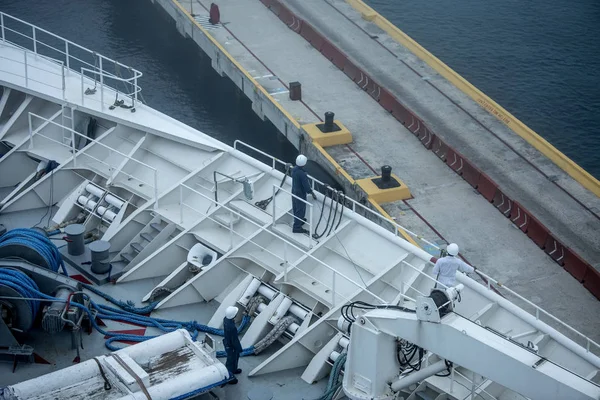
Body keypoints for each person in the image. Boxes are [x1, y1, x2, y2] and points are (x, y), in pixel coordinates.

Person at [291, 155, 317, 234]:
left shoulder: (294, 170)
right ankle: (297, 227)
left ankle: (299, 220)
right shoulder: (302, 174)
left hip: (294, 191)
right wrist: (312, 193)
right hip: (300, 194)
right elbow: (306, 186)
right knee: (301, 209)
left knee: (295, 207)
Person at [223, 306, 243, 384]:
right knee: (230, 361)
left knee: (234, 359)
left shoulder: (225, 319)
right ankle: (229, 377)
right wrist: (239, 348)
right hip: (231, 346)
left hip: (227, 343)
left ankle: (234, 369)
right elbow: (234, 340)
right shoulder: (232, 327)